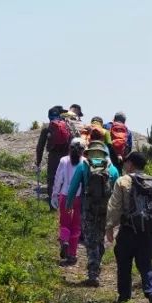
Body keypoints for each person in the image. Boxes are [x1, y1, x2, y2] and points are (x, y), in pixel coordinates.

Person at [105, 151, 152, 303]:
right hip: (148, 232)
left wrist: (109, 227)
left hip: (128, 230)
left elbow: (114, 206)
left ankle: (124, 299)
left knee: (124, 264)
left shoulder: (123, 181)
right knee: (146, 265)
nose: (124, 165)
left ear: (131, 164)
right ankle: (151, 292)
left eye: (126, 162)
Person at [66, 140, 120, 286]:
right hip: (105, 209)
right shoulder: (112, 169)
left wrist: (69, 204)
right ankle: (97, 266)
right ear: (104, 153)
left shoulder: (83, 166)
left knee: (90, 240)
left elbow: (73, 186)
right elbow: (117, 192)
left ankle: (93, 272)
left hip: (88, 208)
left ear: (89, 153)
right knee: (100, 238)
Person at [51, 138, 85, 266]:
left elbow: (58, 179)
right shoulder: (85, 162)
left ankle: (64, 240)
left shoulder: (64, 160)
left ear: (69, 148)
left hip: (65, 196)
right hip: (79, 198)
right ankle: (72, 254)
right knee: (76, 225)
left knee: (64, 222)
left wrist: (55, 194)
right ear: (83, 150)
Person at [35, 105, 71, 207]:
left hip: (53, 157)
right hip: (66, 156)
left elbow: (40, 147)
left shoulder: (47, 127)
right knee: (65, 179)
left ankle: (53, 205)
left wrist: (38, 162)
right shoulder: (67, 125)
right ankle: (65, 205)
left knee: (52, 180)